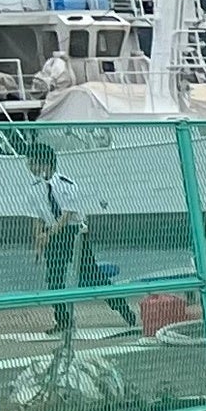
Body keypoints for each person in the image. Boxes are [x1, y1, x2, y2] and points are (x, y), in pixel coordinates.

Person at [23, 141, 134, 334]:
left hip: (72, 234)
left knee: (91, 276)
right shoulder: (34, 188)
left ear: (44, 164)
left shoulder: (67, 185)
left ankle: (124, 311)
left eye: (33, 163)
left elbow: (66, 216)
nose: (30, 168)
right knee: (54, 280)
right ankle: (63, 320)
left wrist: (49, 234)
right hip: (52, 235)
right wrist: (39, 242)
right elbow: (37, 218)